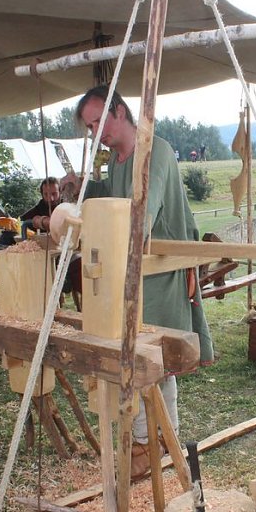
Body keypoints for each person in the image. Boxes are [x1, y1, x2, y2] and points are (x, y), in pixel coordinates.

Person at [63, 85, 214, 479]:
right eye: (89, 127)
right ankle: (155, 442)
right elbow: (115, 198)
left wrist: (119, 232)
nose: (96, 132)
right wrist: (83, 188)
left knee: (157, 358)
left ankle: (156, 444)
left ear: (120, 111)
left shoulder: (154, 149)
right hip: (134, 272)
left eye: (98, 121)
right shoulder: (116, 161)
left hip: (161, 272)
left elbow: (142, 209)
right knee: (143, 359)